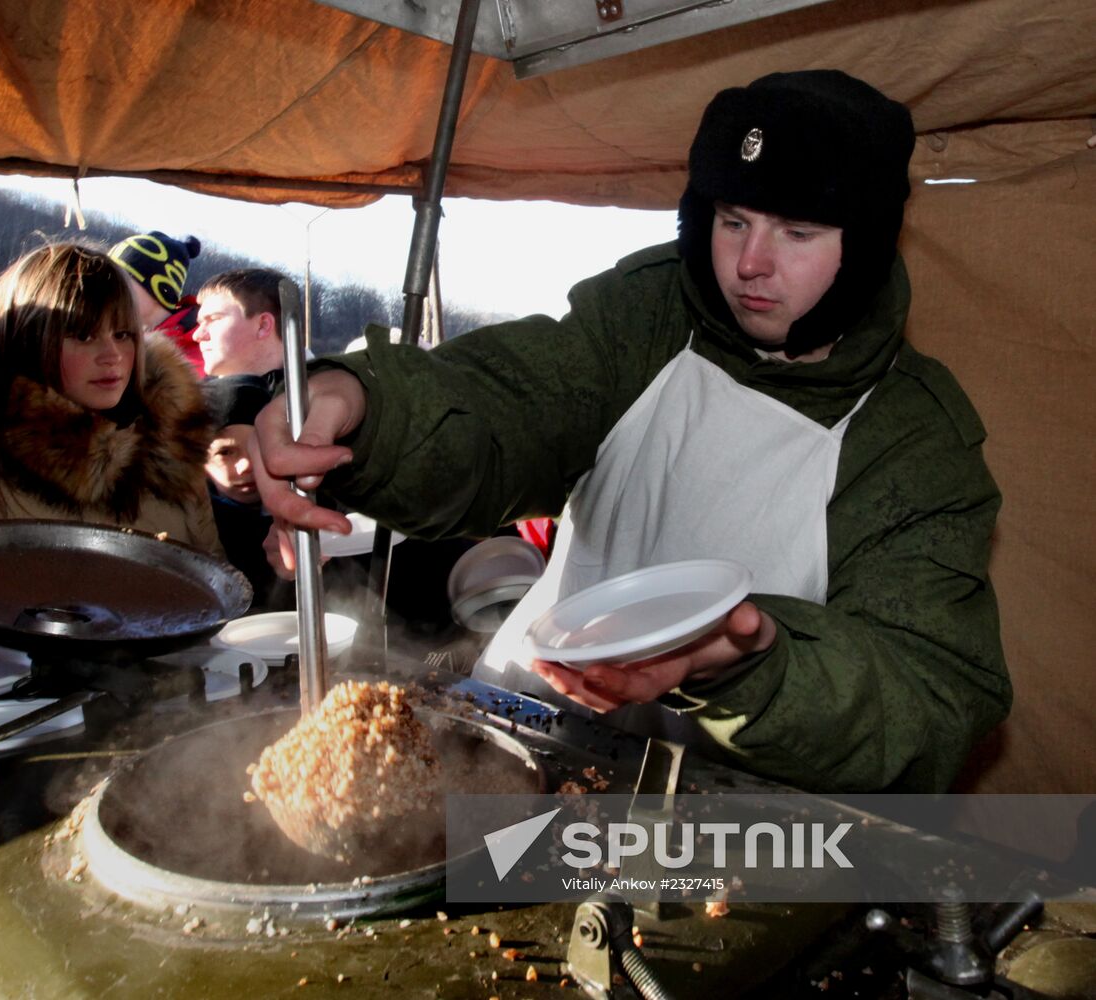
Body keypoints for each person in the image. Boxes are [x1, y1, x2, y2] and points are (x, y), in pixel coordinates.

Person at [247, 70, 1010, 794]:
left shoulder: (915, 441)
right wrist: (366, 404)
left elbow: (930, 701)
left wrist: (750, 668)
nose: (749, 263)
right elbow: (509, 405)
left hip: (721, 818)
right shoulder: (653, 318)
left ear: (865, 248)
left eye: (797, 233)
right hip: (526, 729)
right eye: (733, 220)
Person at [0, 242, 221, 553]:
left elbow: (211, 577)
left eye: (123, 334)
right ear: (30, 342)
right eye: (83, 335)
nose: (112, 356)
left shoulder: (174, 455)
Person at [202, 374, 293, 609]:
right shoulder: (193, 524)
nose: (246, 466)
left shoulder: (310, 504)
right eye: (225, 453)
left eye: (258, 446)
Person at [109, 230, 205, 375]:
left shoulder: (203, 355)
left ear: (159, 289)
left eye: (121, 280)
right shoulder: (112, 340)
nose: (109, 290)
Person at [193, 268, 290, 386]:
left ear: (263, 326)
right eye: (200, 323)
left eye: (214, 319)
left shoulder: (313, 400)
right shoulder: (190, 401)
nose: (197, 335)